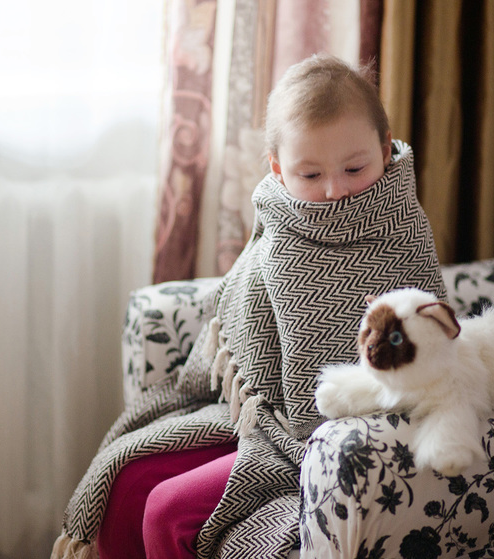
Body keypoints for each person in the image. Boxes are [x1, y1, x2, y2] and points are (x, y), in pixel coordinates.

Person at [52, 54, 446, 559]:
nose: (335, 190)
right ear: (279, 171)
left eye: (355, 167)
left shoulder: (403, 229)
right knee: (127, 481)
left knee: (165, 510)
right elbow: (246, 328)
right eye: (310, 174)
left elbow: (432, 348)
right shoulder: (281, 225)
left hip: (334, 442)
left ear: (384, 150)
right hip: (259, 413)